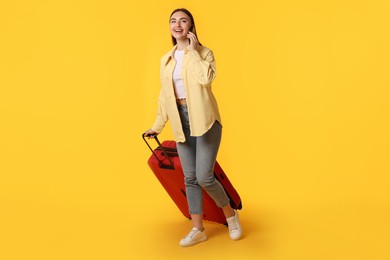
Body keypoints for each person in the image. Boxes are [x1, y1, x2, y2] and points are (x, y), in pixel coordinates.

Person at [143, 8, 242, 247]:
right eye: (173, 21)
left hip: (205, 120)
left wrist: (194, 52)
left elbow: (206, 79)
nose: (177, 25)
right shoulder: (166, 59)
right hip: (181, 120)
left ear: (191, 26)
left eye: (183, 21)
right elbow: (165, 96)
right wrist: (157, 125)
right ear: (170, 27)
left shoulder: (204, 53)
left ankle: (231, 215)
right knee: (189, 178)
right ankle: (198, 229)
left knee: (204, 177)